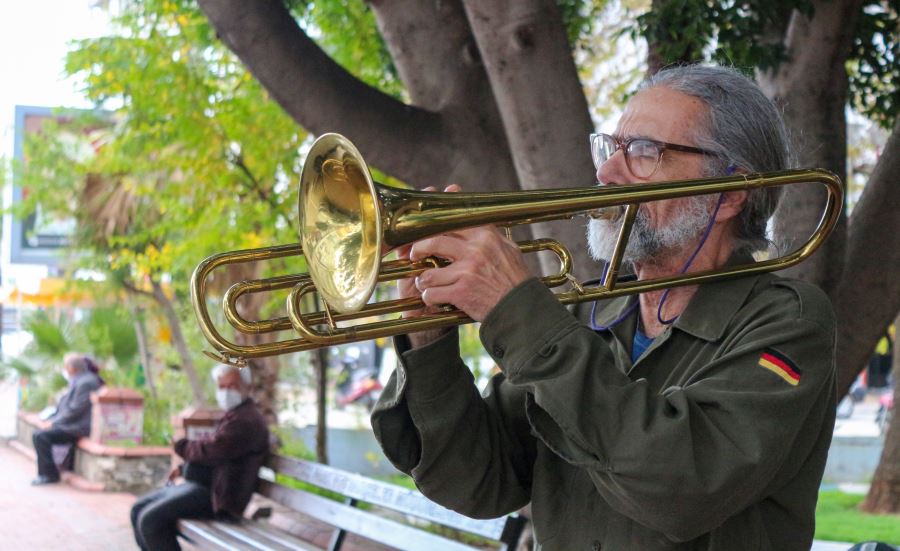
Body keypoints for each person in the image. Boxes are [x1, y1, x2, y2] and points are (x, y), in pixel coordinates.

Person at [371, 64, 837, 550]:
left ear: (730, 194)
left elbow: (682, 490)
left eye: (643, 152)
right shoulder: (587, 313)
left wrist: (516, 309)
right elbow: (479, 480)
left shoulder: (788, 321)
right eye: (610, 147)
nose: (606, 172)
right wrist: (427, 334)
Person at [130, 364, 269, 551]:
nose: (226, 392)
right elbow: (216, 454)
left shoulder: (246, 421)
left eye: (232, 386)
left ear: (247, 387)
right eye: (222, 387)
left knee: (151, 520)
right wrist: (182, 468)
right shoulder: (237, 415)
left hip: (220, 499)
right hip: (208, 487)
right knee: (138, 509)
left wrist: (181, 445)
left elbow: (211, 450)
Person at [31, 353, 104, 485]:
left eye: (65, 366)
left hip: (78, 427)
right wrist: (52, 420)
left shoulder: (86, 382)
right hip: (70, 425)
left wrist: (54, 422)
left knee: (41, 436)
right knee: (39, 434)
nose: (64, 369)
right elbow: (66, 407)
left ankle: (49, 475)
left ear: (71, 368)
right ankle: (49, 472)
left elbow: (76, 409)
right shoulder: (80, 380)